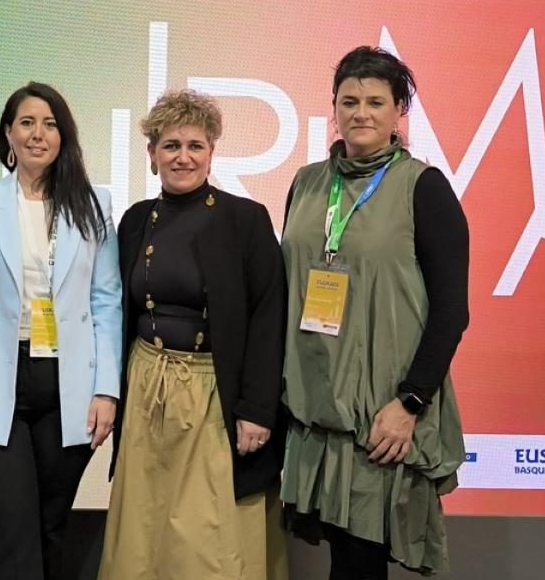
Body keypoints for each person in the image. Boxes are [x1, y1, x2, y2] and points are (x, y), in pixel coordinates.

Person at [281, 46, 469, 578]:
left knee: (361, 562)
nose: (360, 112)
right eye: (349, 100)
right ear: (334, 108)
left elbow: (452, 310)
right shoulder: (308, 182)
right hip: (316, 408)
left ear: (397, 112)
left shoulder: (424, 188)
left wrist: (409, 401)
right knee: (344, 558)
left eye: (375, 101)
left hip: (385, 411)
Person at [98, 88, 288, 580]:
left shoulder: (245, 220)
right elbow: (118, 312)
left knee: (206, 538)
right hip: (146, 387)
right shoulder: (136, 220)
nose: (183, 157)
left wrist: (257, 409)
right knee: (143, 527)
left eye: (195, 146)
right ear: (152, 153)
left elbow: (269, 318)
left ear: (212, 151)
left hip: (213, 396)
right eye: (171, 145)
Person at [0, 81, 121, 580]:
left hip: (69, 387)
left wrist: (107, 389)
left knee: (48, 528)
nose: (38, 134)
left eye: (49, 123)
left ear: (64, 135)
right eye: (26, 122)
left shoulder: (94, 204)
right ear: (8, 133)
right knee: (7, 526)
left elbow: (106, 301)